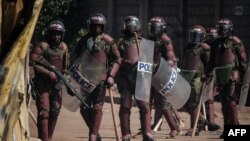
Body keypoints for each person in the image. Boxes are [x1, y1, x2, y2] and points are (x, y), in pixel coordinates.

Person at [73, 13, 121, 141]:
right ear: (90, 26)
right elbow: (75, 58)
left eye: (99, 26)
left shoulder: (108, 41)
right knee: (83, 108)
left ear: (103, 26)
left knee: (97, 107)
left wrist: (111, 76)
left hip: (101, 79)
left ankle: (93, 136)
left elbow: (117, 60)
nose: (96, 29)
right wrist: (74, 72)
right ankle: (95, 131)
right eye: (94, 26)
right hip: (85, 79)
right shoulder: (83, 41)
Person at [206, 18, 248, 138]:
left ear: (230, 30)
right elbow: (211, 61)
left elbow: (243, 61)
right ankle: (227, 129)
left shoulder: (235, 42)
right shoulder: (215, 43)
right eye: (220, 29)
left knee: (231, 103)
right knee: (224, 104)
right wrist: (207, 74)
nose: (222, 31)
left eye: (224, 29)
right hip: (220, 75)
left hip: (233, 76)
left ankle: (235, 131)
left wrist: (245, 77)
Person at [116, 16, 155, 141]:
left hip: (140, 78)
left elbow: (150, 63)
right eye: (127, 24)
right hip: (125, 78)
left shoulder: (144, 42)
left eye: (132, 24)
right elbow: (114, 60)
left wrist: (142, 63)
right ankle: (126, 134)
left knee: (144, 105)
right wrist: (123, 61)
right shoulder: (119, 43)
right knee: (125, 106)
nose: (130, 27)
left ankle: (147, 133)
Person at [30, 20, 70, 141]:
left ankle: (49, 137)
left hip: (56, 85)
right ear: (48, 33)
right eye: (53, 33)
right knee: (44, 111)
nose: (55, 36)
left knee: (55, 110)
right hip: (42, 84)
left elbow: (66, 68)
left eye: (58, 34)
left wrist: (66, 81)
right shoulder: (42, 46)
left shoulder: (64, 47)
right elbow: (33, 63)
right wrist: (48, 73)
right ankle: (44, 138)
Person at [147, 16, 181, 138]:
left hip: (164, 75)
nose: (153, 30)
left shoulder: (165, 40)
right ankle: (155, 125)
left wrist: (160, 68)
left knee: (164, 104)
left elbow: (170, 60)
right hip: (152, 75)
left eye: (156, 28)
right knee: (154, 103)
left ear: (162, 29)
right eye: (152, 28)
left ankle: (174, 127)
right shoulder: (149, 40)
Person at [180, 25, 210, 136]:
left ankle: (194, 128)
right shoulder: (187, 47)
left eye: (197, 36)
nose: (195, 38)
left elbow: (209, 64)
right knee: (183, 102)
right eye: (193, 35)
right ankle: (202, 120)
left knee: (193, 103)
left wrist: (207, 77)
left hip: (198, 77)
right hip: (187, 76)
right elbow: (184, 61)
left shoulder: (205, 48)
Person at [203, 28, 220, 131]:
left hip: (214, 76)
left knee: (210, 100)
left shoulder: (217, 47)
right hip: (205, 75)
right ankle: (207, 122)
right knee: (207, 100)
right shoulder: (204, 47)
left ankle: (210, 121)